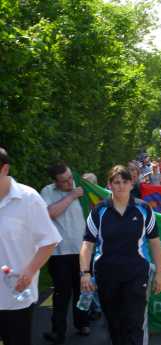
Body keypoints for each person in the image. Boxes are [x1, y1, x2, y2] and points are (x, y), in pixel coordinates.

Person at [80, 165, 161, 345]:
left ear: (132, 184)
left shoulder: (143, 209)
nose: (121, 186)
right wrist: (85, 273)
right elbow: (87, 245)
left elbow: (155, 243)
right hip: (106, 275)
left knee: (134, 323)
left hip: (136, 274)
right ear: (109, 185)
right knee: (114, 324)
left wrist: (159, 273)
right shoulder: (99, 211)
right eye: (116, 182)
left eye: (124, 182)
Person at [0, 147, 61, 345]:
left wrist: (30, 271)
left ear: (4, 169)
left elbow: (49, 241)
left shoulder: (29, 199)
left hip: (15, 296)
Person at [41, 163, 90, 344]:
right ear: (55, 182)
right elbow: (49, 213)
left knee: (83, 291)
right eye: (65, 181)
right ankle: (58, 331)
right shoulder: (47, 191)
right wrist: (71, 196)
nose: (70, 182)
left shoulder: (81, 186)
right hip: (59, 253)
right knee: (62, 294)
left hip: (82, 250)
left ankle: (83, 323)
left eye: (70, 177)